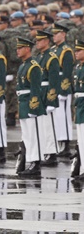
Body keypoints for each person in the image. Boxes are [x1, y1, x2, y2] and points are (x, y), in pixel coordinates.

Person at [16, 37, 45, 177]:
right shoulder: (23, 65)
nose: (17, 50)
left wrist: (34, 107)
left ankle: (36, 163)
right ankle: (30, 161)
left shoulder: (33, 66)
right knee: (27, 136)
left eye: (20, 48)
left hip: (31, 104)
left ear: (27, 49)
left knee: (34, 135)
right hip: (23, 103)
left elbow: (35, 89)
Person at [35, 29, 59, 166]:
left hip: (47, 92)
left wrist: (51, 99)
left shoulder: (52, 57)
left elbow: (54, 80)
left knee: (49, 124)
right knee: (42, 125)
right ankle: (45, 150)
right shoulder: (39, 57)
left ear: (46, 41)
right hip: (40, 91)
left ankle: (51, 153)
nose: (37, 43)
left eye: (40, 40)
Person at [51, 22, 75, 157]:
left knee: (63, 116)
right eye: (53, 34)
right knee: (56, 117)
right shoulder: (54, 50)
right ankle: (58, 143)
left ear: (63, 34)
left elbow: (67, 72)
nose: (54, 36)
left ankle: (65, 145)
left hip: (62, 87)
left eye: (56, 33)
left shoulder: (66, 50)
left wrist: (64, 90)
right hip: (54, 87)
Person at [71, 40, 84, 180]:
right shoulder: (79, 67)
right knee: (81, 140)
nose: (76, 53)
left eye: (79, 51)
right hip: (80, 105)